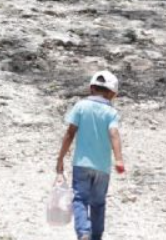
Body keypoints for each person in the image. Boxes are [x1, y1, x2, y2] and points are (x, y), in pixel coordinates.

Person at [56, 70, 125, 240]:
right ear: (112, 94)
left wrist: (60, 158)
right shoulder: (112, 113)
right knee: (98, 204)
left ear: (90, 88)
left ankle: (83, 232)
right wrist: (118, 159)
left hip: (81, 164)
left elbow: (69, 133)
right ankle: (95, 236)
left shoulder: (80, 106)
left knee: (80, 200)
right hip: (102, 168)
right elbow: (114, 134)